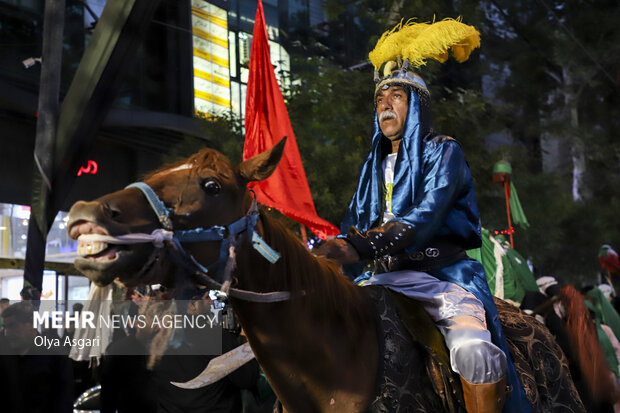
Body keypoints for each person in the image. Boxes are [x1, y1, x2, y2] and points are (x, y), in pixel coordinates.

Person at [316, 18, 530, 413]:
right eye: (379, 99)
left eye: (395, 96)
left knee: (474, 352)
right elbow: (354, 223)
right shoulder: (370, 167)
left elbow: (427, 214)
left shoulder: (444, 151)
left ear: (416, 105)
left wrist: (361, 244)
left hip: (441, 280)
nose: (384, 105)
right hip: (380, 276)